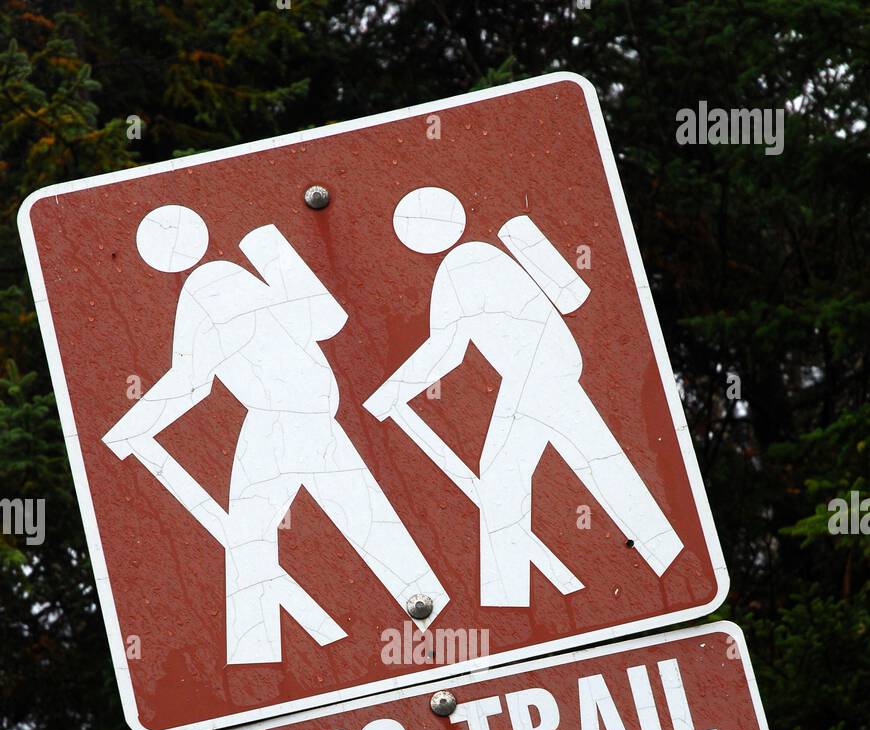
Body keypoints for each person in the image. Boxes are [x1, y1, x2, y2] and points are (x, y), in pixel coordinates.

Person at [103, 204, 448, 665]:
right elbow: (325, 323)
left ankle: (256, 658)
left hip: (281, 422)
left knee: (253, 536)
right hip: (311, 416)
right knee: (356, 516)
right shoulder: (246, 284)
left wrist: (133, 428)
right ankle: (429, 610)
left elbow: (191, 378)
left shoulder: (208, 291)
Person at [364, 187, 683, 608]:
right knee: (589, 458)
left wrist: (389, 394)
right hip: (552, 366)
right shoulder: (485, 256)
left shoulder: (459, 269)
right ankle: (664, 553)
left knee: (503, 474)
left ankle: (508, 600)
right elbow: (454, 347)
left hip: (534, 374)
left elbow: (447, 348)